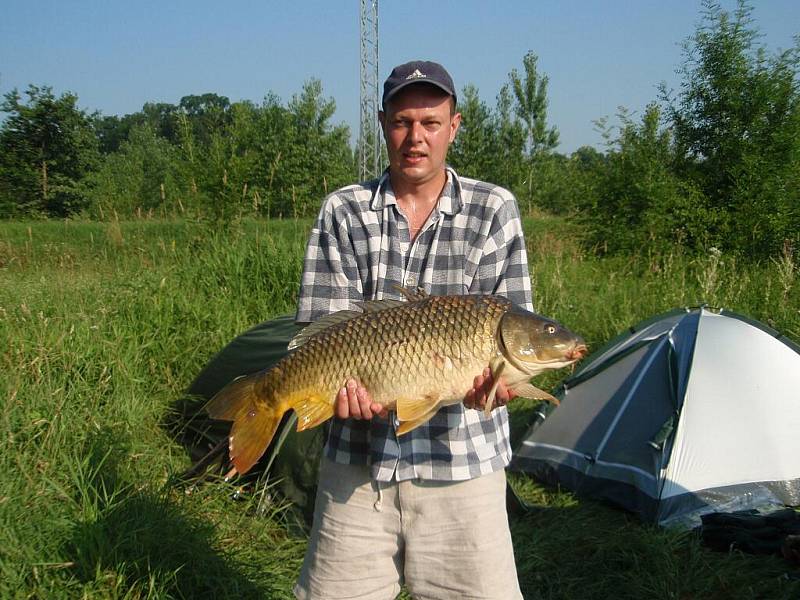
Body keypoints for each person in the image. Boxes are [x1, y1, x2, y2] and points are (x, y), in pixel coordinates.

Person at [294, 60, 532, 600]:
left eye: (430, 122)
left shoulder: (494, 210)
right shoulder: (344, 211)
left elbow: (513, 330)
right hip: (357, 469)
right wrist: (341, 396)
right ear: (382, 124)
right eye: (402, 122)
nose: (415, 138)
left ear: (454, 125)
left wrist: (499, 389)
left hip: (464, 471)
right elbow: (318, 329)